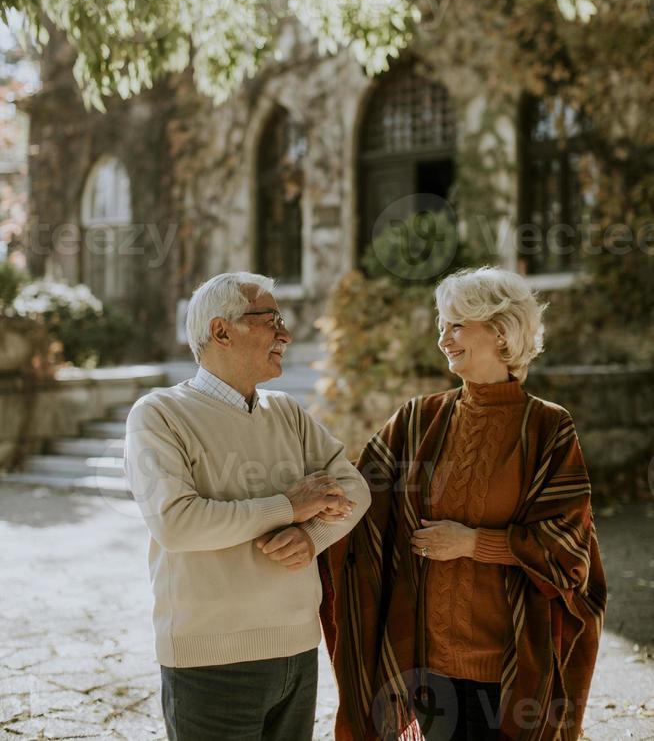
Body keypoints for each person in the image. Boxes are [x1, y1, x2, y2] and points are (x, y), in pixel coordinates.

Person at [321, 266, 607, 741]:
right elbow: (356, 498)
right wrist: (291, 512)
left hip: (513, 668)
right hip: (427, 667)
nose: (443, 339)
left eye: (456, 326)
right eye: (441, 326)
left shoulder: (546, 428)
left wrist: (475, 543)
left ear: (499, 330)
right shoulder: (417, 419)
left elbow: (570, 552)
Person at [124, 271, 371, 741]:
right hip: (209, 662)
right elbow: (177, 524)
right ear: (221, 330)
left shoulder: (288, 411)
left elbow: (354, 489)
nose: (286, 333)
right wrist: (288, 506)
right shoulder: (158, 415)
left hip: (299, 651)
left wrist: (311, 535)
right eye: (271, 319)